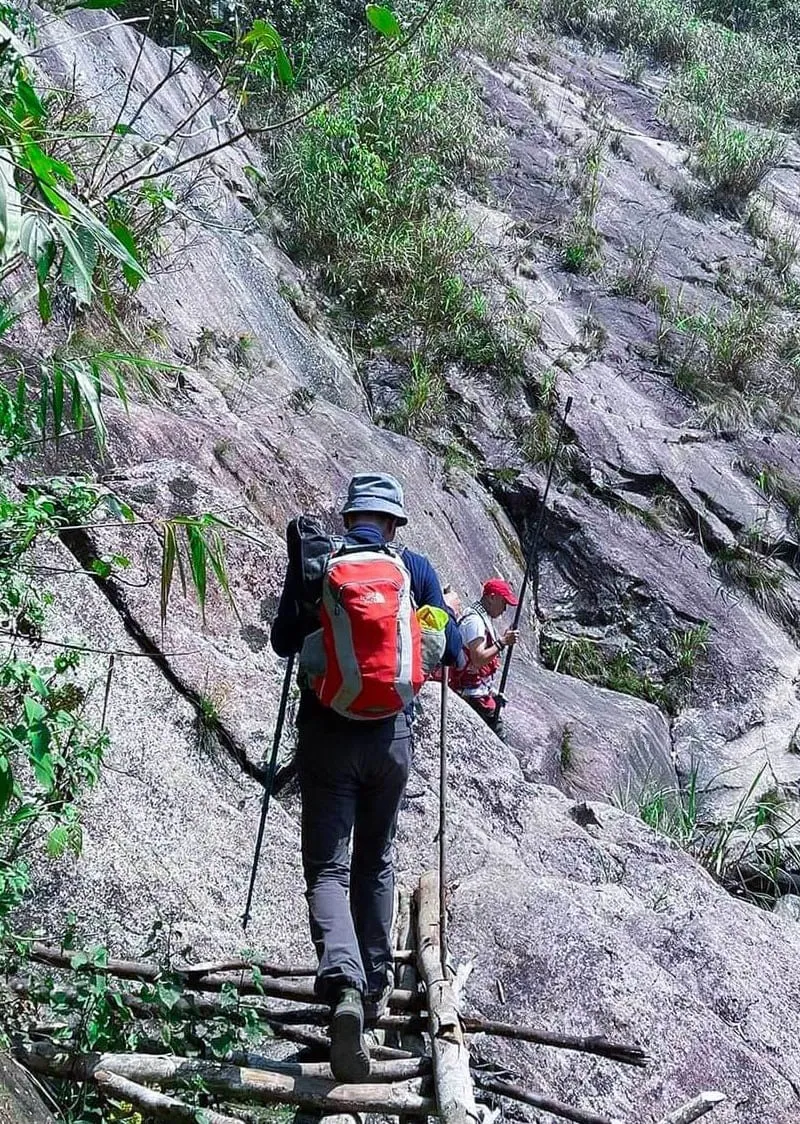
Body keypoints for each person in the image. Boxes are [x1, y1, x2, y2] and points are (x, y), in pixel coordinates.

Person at [270, 472, 461, 1083]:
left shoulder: (319, 564)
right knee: (376, 862)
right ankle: (374, 992)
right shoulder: (416, 572)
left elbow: (282, 644)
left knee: (327, 867)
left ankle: (344, 985)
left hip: (328, 737)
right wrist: (441, 621)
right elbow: (450, 656)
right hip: (390, 741)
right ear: (395, 523)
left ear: (349, 515)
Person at [454, 578, 519, 738]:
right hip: (472, 694)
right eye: (503, 603)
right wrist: (503, 642)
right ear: (492, 597)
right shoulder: (475, 621)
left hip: (478, 689)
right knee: (498, 733)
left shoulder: (478, 617)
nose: (504, 609)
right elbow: (478, 659)